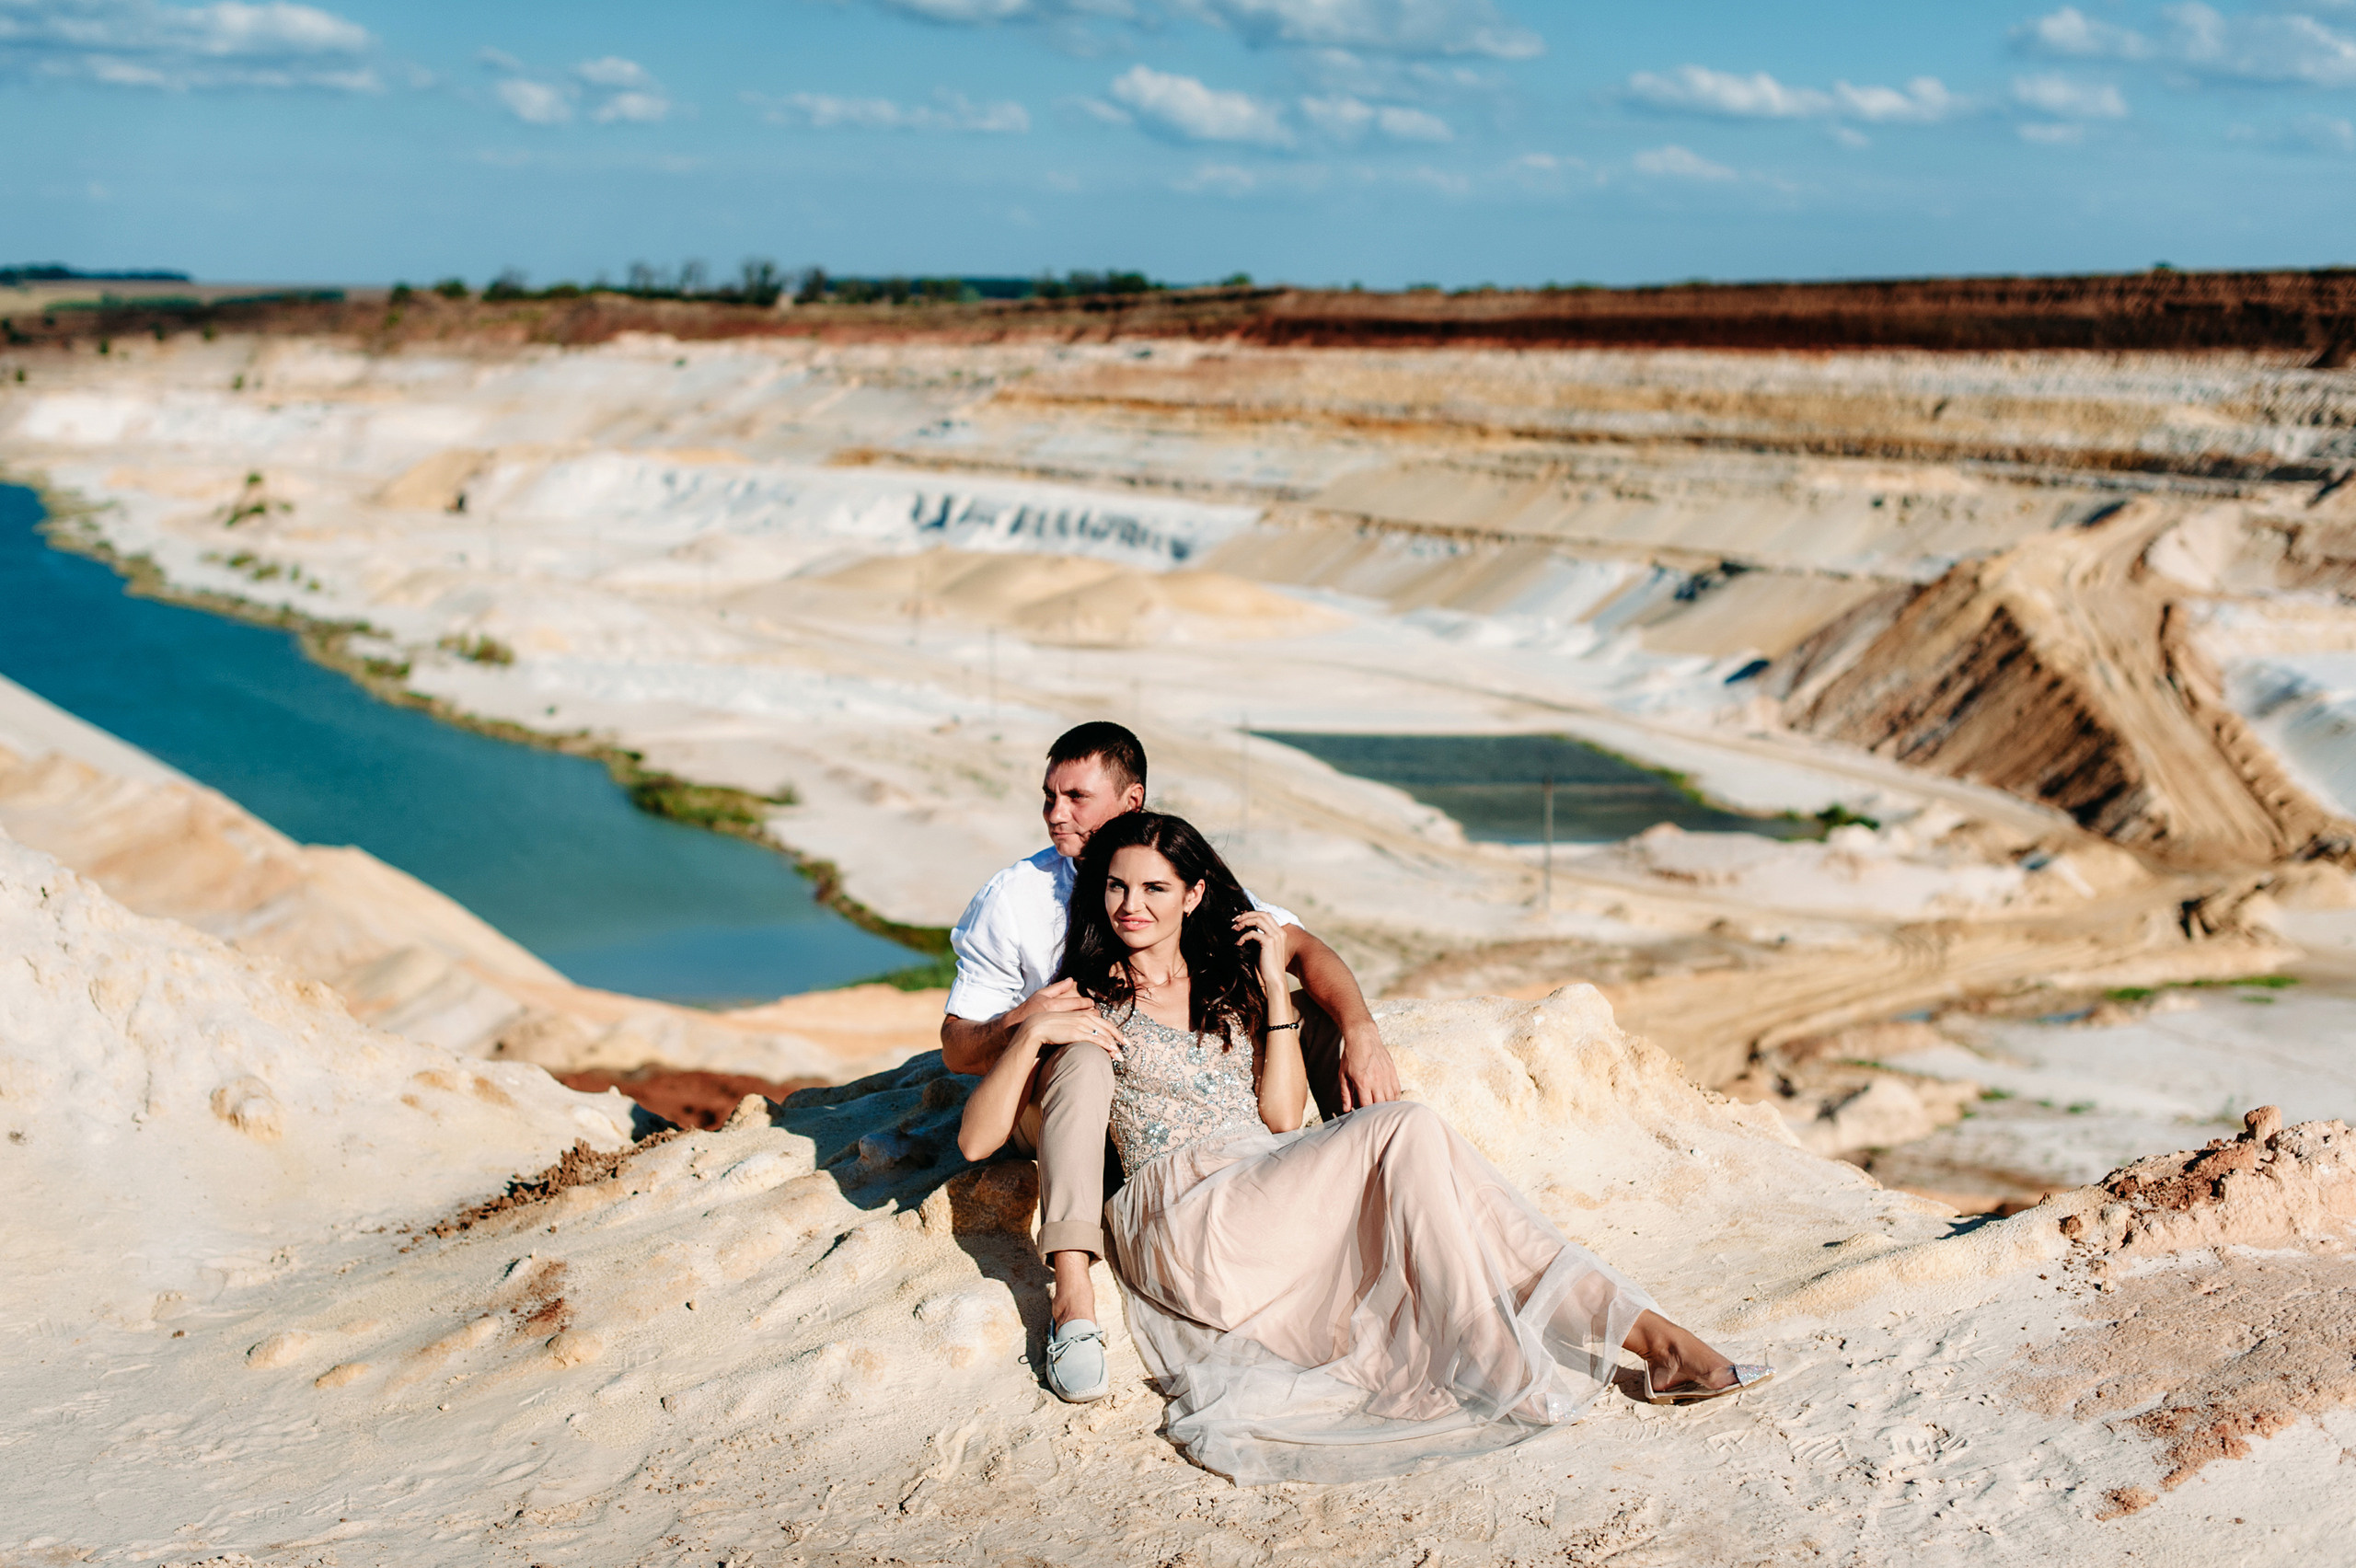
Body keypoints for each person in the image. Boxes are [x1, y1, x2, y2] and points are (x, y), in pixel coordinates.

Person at [957, 811, 1771, 1484]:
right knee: (1405, 1128)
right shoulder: (1087, 996)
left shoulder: (1224, 987)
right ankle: (1557, 1345)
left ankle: (1645, 1339)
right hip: (1188, 1221)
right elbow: (978, 1137)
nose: (1131, 905)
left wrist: (1275, 985)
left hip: (1264, 1191)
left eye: (1154, 889)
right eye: (1118, 887)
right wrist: (1029, 1034)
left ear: (1194, 894)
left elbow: (1278, 1119)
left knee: (1456, 1197)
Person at [940, 721, 1399, 1403]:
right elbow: (956, 1044)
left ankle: (1360, 1200)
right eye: (1048, 797)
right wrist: (1028, 1021)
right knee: (1084, 1054)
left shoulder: (1162, 870)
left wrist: (1361, 1029)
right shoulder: (1018, 896)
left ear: (1132, 804)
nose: (1055, 814)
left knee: (1311, 1010)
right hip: (1058, 1092)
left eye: (1076, 797)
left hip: (1174, 1098)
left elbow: (1298, 947)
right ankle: (1073, 1300)